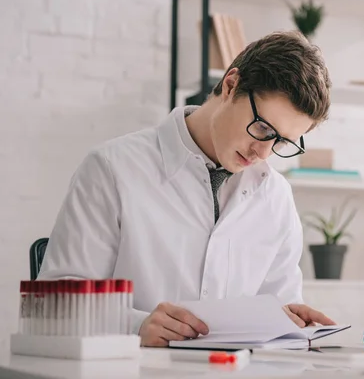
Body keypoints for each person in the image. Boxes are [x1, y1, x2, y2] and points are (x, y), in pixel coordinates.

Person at [37, 30, 336, 346]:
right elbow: (52, 308)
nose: (263, 153)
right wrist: (135, 326)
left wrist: (285, 321)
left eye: (282, 141)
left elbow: (278, 306)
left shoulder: (276, 197)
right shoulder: (112, 169)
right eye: (262, 128)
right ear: (230, 85)